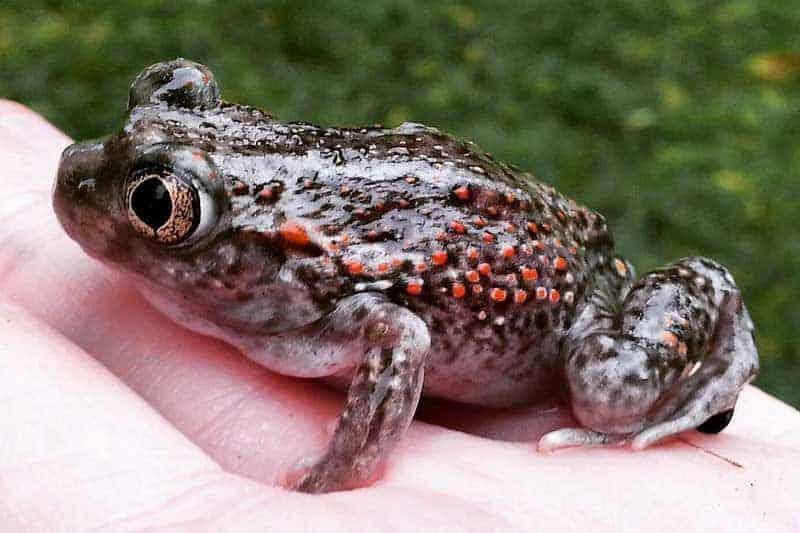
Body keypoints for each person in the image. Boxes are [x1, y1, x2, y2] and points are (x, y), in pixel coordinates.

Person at [1, 100, 798, 532]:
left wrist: (343, 474)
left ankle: (715, 337)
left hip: (578, 305)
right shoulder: (297, 259)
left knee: (611, 390)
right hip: (476, 215)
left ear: (260, 252)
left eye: (157, 206)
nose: (79, 175)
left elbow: (400, 332)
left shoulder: (318, 281)